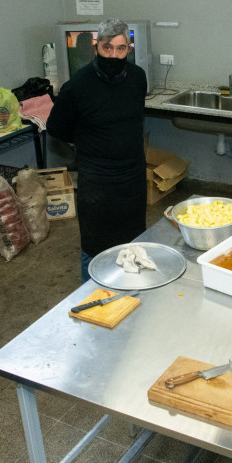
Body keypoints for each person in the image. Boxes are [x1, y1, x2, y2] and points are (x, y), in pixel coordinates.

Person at [47, 18, 148, 281]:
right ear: (96, 47)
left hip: (133, 178)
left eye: (121, 49)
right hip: (98, 182)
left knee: (134, 241)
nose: (114, 55)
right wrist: (88, 139)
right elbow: (56, 127)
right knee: (96, 248)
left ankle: (131, 291)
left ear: (129, 49)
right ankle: (91, 299)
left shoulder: (138, 78)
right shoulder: (78, 86)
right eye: (107, 48)